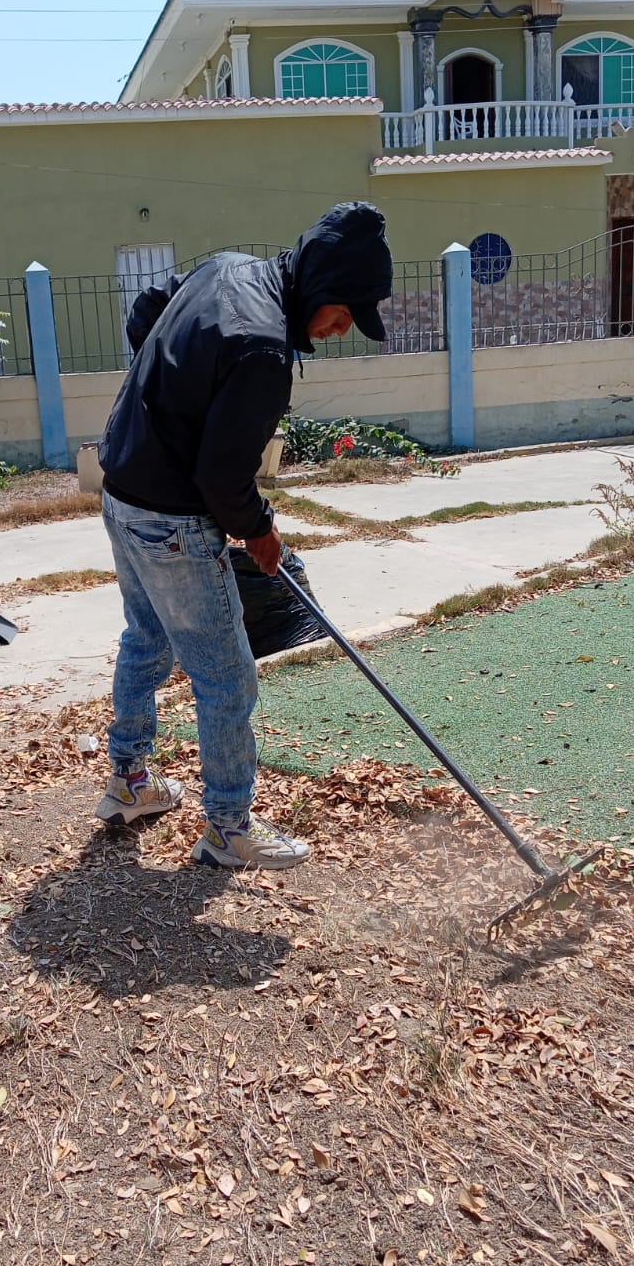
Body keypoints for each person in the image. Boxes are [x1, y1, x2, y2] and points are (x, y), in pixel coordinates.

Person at [94, 202, 393, 869]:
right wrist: (261, 533)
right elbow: (224, 479)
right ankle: (229, 827)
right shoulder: (263, 349)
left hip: (121, 491)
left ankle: (130, 782)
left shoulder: (230, 269)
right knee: (226, 679)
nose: (342, 329)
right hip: (171, 521)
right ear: (321, 286)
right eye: (345, 312)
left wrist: (168, 405)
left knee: (147, 637)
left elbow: (147, 311)